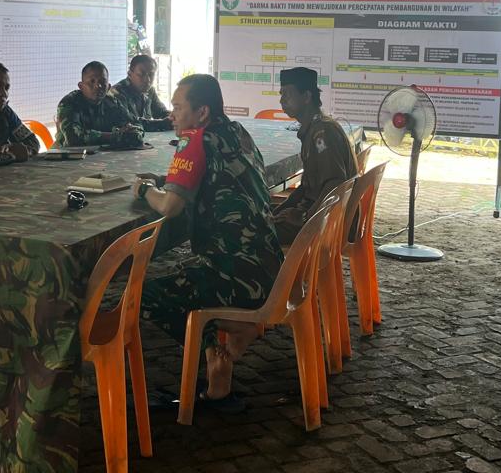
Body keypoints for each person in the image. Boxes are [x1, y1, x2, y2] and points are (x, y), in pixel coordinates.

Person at [133, 74, 283, 409]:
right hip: (270, 270)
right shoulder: (237, 131)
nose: (172, 114)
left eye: (178, 107)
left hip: (235, 277)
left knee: (142, 297)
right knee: (181, 274)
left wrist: (144, 190)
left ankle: (215, 353)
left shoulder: (194, 141)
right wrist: (168, 180)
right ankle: (229, 343)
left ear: (202, 113)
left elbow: (169, 207)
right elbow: (216, 175)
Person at [271, 67, 358, 245]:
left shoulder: (322, 132)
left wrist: (303, 217)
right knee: (261, 215)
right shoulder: (315, 127)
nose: (282, 100)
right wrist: (281, 209)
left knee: (253, 234)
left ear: (306, 96)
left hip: (328, 222)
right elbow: (308, 186)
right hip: (320, 213)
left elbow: (335, 184)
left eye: (288, 94)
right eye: (281, 94)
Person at [54, 61, 144, 147]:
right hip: (67, 154)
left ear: (108, 87)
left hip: (102, 153)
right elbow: (73, 138)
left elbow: (136, 123)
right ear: (81, 86)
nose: (98, 86)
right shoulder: (70, 103)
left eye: (102, 82)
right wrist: (115, 136)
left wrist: (132, 132)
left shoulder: (111, 102)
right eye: (92, 81)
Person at [108, 54, 173, 132]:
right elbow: (130, 122)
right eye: (141, 74)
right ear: (130, 74)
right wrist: (163, 123)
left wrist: (175, 117)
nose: (147, 80)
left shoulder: (150, 90)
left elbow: (161, 112)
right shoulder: (116, 93)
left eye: (151, 75)